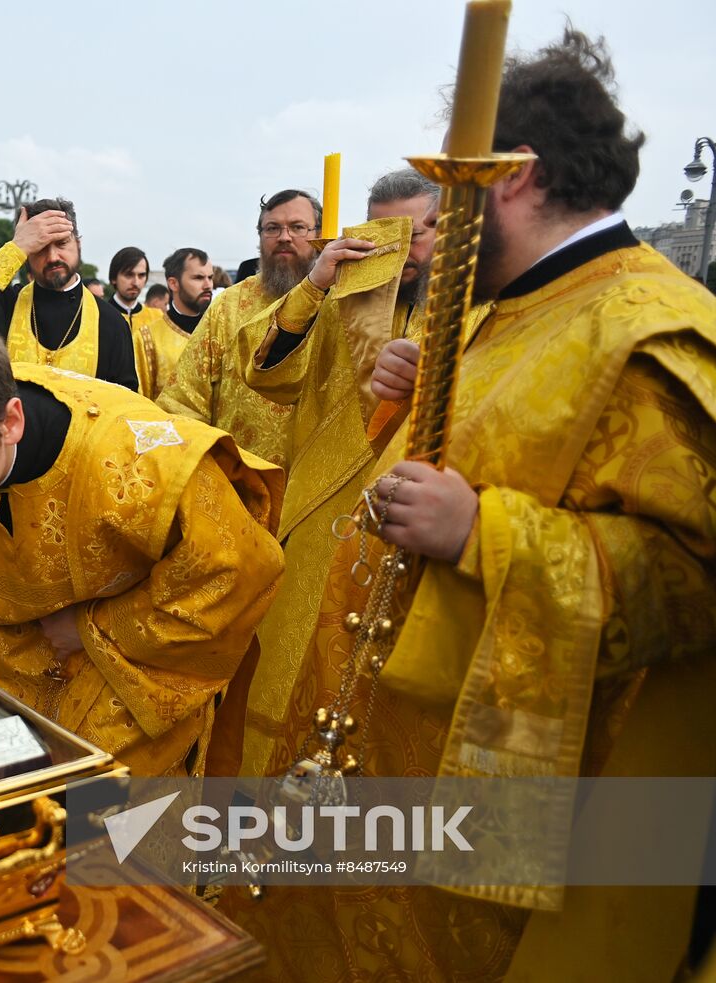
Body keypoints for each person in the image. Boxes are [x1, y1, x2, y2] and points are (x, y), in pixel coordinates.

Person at [221, 29, 716, 980]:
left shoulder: (649, 330)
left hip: (488, 803)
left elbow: (694, 588)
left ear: (513, 177)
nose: (434, 231)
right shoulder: (504, 309)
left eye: (454, 195)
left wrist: (481, 532)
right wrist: (406, 403)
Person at [0, 312, 285, 776]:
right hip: (11, 682)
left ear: (10, 423)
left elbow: (239, 570)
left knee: (110, 834)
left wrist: (94, 629)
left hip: (125, 692)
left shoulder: (140, 464)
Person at [233, 169, 440, 778]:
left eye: (415, 232)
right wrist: (317, 283)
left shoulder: (475, 311)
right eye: (383, 232)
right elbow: (266, 371)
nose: (399, 250)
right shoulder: (343, 298)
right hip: (317, 528)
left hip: (409, 540)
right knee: (278, 693)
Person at [155, 189, 321, 469]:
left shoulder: (340, 302)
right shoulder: (228, 306)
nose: (284, 237)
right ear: (259, 238)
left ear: (319, 234)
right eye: (272, 228)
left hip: (314, 485)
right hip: (237, 483)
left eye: (297, 227)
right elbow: (184, 401)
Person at [0, 198, 138, 390]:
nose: (52, 257)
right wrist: (15, 248)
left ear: (78, 244)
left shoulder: (111, 322)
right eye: (40, 247)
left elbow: (125, 403)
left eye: (61, 244)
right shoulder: (5, 304)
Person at [107, 245, 188, 399]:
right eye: (129, 275)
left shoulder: (157, 317)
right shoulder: (101, 315)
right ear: (113, 278)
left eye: (141, 275)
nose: (135, 282)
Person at [163, 246, 215, 335]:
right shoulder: (148, 338)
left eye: (210, 278)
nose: (208, 286)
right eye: (198, 278)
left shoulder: (220, 330)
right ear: (173, 284)